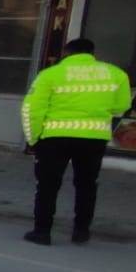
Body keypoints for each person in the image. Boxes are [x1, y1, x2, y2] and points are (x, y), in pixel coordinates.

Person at [20, 37, 130, 245]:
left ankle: (42, 232)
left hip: (54, 138)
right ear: (92, 53)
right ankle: (81, 232)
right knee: (87, 185)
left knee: (47, 186)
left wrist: (33, 138)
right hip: (94, 138)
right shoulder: (116, 74)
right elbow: (121, 107)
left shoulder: (50, 75)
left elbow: (32, 110)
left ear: (66, 53)